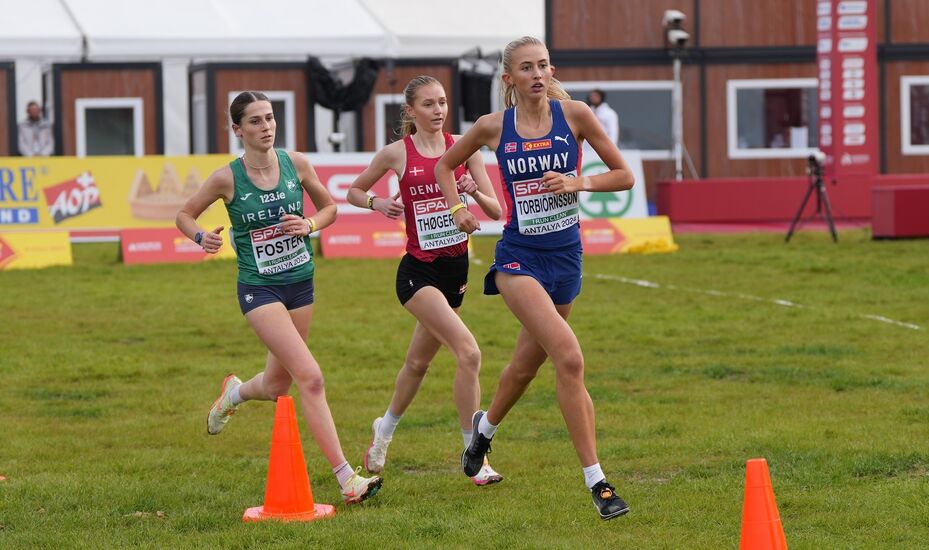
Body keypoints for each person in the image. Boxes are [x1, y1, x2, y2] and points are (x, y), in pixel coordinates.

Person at [434, 36, 634, 520]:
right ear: (510, 78)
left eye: (543, 65)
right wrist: (458, 207)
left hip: (566, 258)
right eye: (527, 67)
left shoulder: (577, 116)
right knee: (568, 357)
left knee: (526, 367)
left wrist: (578, 181)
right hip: (518, 258)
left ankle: (483, 430)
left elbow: (623, 175)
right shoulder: (492, 127)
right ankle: (598, 483)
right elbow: (444, 165)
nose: (538, 74)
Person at [176, 91, 382, 506]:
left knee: (276, 385)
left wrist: (307, 224)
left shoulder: (296, 163)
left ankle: (233, 393)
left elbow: (330, 210)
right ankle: (347, 479)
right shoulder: (226, 178)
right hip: (259, 287)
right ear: (237, 130)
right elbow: (184, 214)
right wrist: (202, 236)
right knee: (311, 376)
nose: (266, 126)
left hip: (300, 283)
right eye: (255, 121)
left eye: (269, 118)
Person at [346, 75, 504, 486]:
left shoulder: (464, 150)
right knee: (469, 353)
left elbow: (495, 209)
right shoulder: (398, 153)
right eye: (429, 104)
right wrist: (378, 202)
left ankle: (383, 431)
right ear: (410, 111)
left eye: (443, 103)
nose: (438, 111)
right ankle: (475, 455)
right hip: (417, 273)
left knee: (417, 363)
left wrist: (474, 190)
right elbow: (354, 191)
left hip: (456, 272)